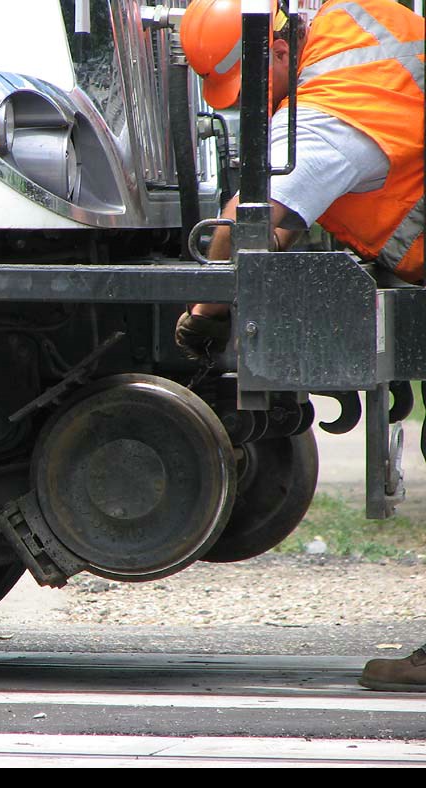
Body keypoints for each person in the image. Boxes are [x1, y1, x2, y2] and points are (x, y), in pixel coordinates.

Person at [176, 0, 426, 692]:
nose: (251, 105)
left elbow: (245, 225)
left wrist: (204, 312)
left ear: (277, 50)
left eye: (250, 85)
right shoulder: (358, 20)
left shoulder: (329, 113)